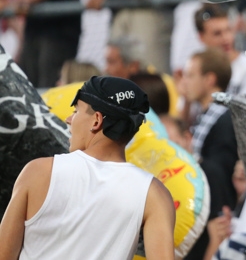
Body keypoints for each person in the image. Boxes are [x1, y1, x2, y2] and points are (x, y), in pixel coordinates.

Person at [0, 76, 176, 259]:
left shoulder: (38, 172)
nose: (69, 119)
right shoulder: (154, 194)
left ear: (96, 121)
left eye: (76, 111)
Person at [182, 48, 239, 260]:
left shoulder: (223, 120)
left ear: (209, 79)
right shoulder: (210, 114)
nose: (184, 82)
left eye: (190, 75)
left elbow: (220, 175)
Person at [195, 4, 246, 101]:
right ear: (201, 37)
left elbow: (242, 112)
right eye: (217, 33)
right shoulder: (197, 69)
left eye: (228, 30)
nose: (226, 38)